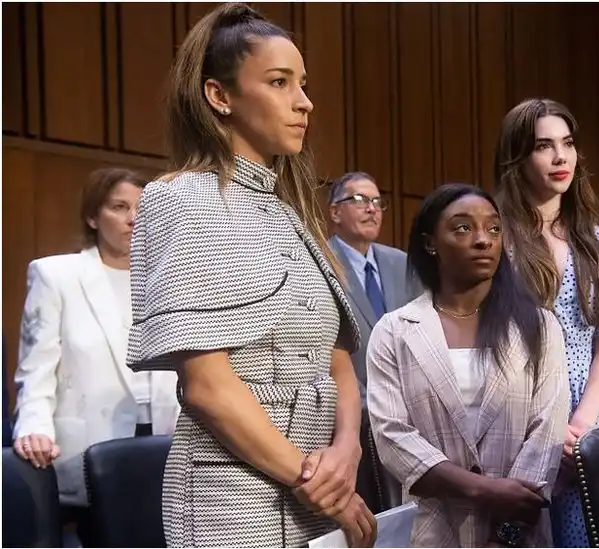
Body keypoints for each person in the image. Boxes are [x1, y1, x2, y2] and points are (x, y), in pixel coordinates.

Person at [124, 4, 375, 546]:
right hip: (232, 496)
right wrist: (321, 481)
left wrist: (347, 449)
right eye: (280, 83)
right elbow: (209, 387)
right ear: (220, 96)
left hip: (318, 487)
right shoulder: (182, 198)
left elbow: (340, 366)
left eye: (302, 84)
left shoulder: (291, 213)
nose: (304, 102)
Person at [367, 183, 570, 547]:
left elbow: (548, 430)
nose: (483, 240)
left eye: (493, 228)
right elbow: (392, 436)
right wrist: (482, 490)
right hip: (434, 529)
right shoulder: (395, 331)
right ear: (431, 243)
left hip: (518, 531)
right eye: (463, 228)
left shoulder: (539, 326)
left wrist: (508, 521)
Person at [493, 98, 599, 548]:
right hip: (514, 417)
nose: (561, 157)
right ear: (517, 158)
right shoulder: (495, 236)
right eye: (544, 146)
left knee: (581, 538)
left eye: (568, 143)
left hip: (585, 422)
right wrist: (547, 429)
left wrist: (583, 420)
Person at [12, 167, 180, 543]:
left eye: (142, 207)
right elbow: (36, 366)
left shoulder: (168, 279)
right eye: (120, 207)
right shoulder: (56, 275)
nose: (134, 218)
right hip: (90, 438)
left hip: (163, 438)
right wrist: (34, 426)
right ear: (93, 216)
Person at [327, 171, 421, 390]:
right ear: (335, 212)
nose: (372, 209)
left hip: (406, 400)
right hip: (350, 404)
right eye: (360, 200)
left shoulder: (401, 262)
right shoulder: (322, 261)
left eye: (377, 202)